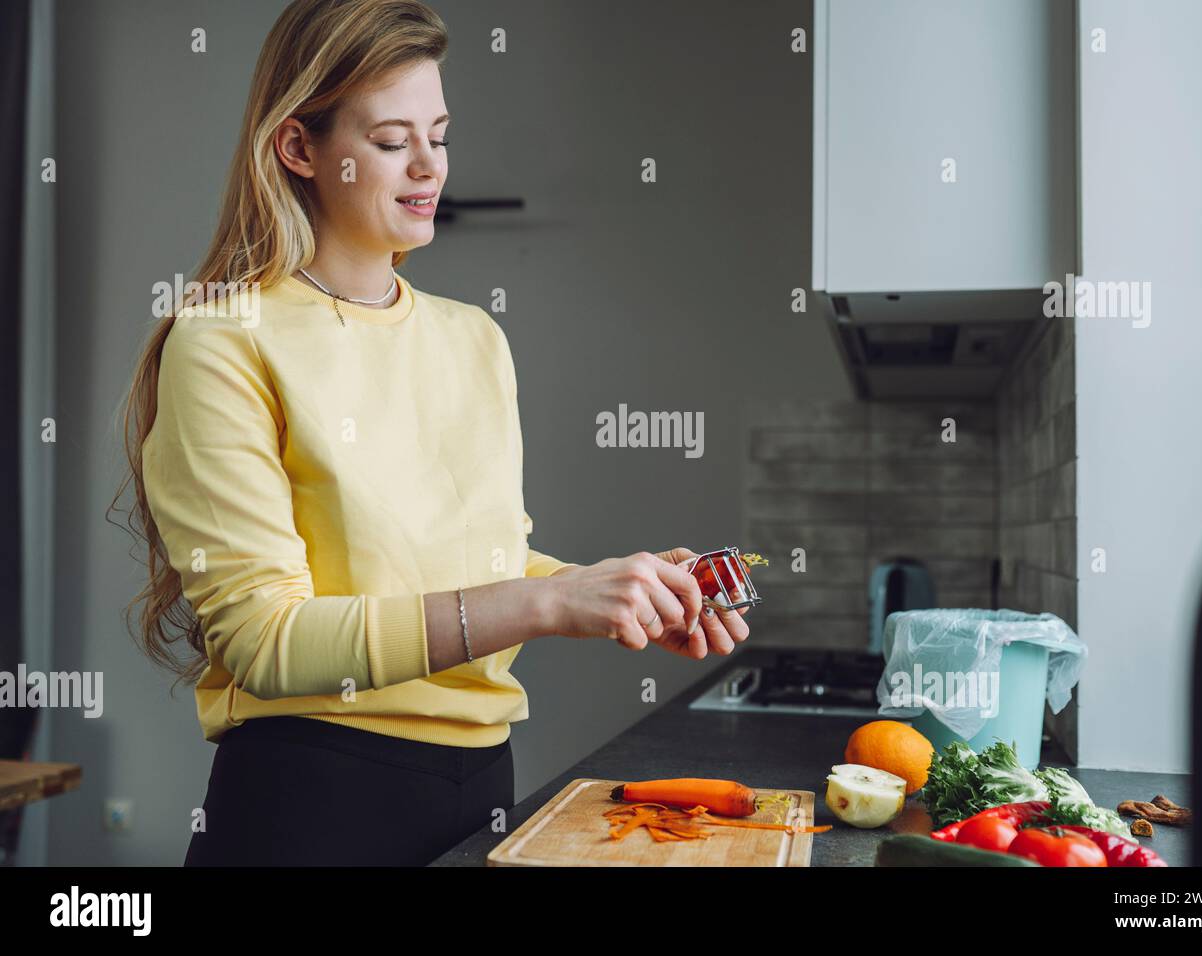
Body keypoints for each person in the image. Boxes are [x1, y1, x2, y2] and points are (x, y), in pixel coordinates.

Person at [110, 0, 749, 866]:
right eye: (389, 140)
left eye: (438, 135)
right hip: (312, 804)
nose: (427, 167)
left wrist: (611, 590)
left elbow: (478, 565)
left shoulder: (473, 337)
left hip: (481, 788)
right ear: (300, 149)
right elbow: (266, 641)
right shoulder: (225, 341)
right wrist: (551, 601)